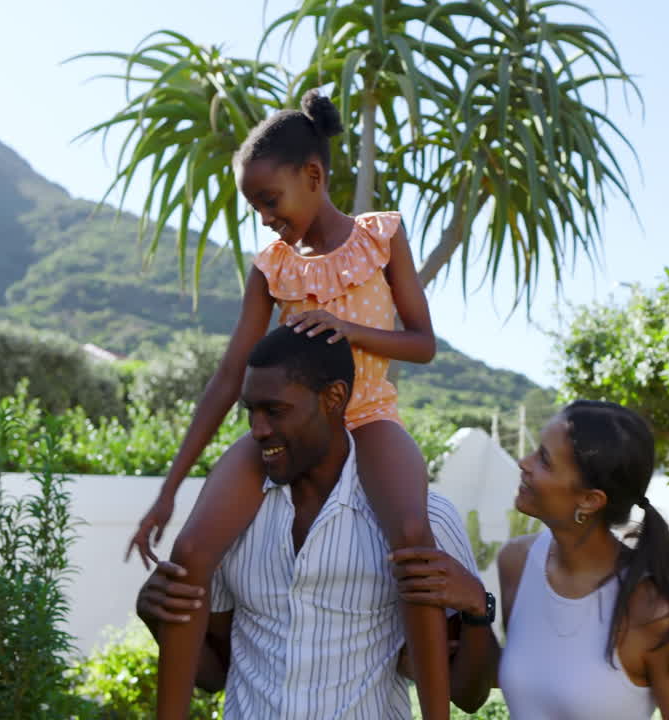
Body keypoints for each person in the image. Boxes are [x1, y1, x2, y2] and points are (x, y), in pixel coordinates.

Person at [127, 91, 451, 719]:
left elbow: (423, 343)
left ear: (314, 176)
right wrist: (169, 489)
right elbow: (229, 375)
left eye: (270, 201)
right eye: (254, 207)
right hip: (289, 424)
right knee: (192, 554)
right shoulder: (272, 266)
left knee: (413, 540)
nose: (265, 218)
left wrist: (348, 330)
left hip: (368, 412)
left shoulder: (381, 238)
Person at [136, 326, 498, 719]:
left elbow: (469, 695)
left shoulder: (423, 518)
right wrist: (156, 618)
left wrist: (479, 610)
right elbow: (218, 673)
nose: (257, 430)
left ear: (333, 398)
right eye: (250, 411)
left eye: (275, 410)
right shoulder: (232, 521)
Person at [391, 400, 669, 719]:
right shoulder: (517, 562)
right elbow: (518, 682)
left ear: (589, 500)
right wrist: (476, 608)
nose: (523, 462)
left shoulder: (653, 614)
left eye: (544, 459)